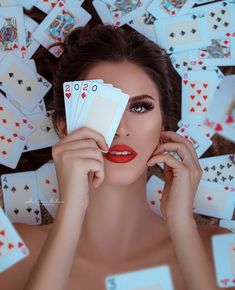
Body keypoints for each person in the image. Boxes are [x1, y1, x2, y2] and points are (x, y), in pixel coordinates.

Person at [0, 24, 233, 290]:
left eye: (140, 107)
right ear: (65, 127)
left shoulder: (219, 249)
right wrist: (70, 213)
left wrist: (182, 227)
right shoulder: (12, 247)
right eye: (102, 107)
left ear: (163, 127)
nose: (122, 129)